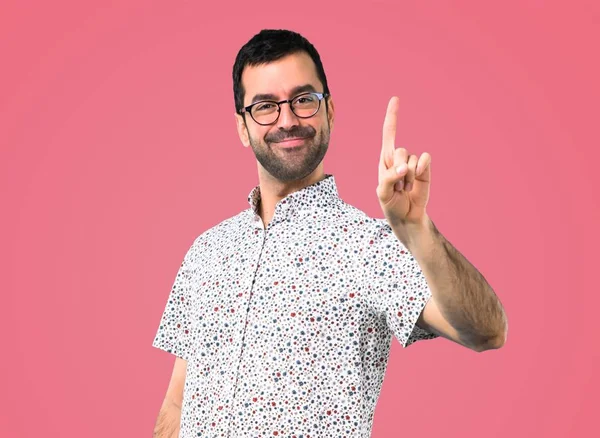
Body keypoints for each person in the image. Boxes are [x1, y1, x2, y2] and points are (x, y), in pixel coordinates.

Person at [152, 29, 508, 438]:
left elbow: (486, 331)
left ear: (330, 111)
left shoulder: (369, 246)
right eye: (265, 106)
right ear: (242, 127)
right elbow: (177, 402)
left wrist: (418, 230)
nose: (287, 120)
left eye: (303, 100)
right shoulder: (207, 251)